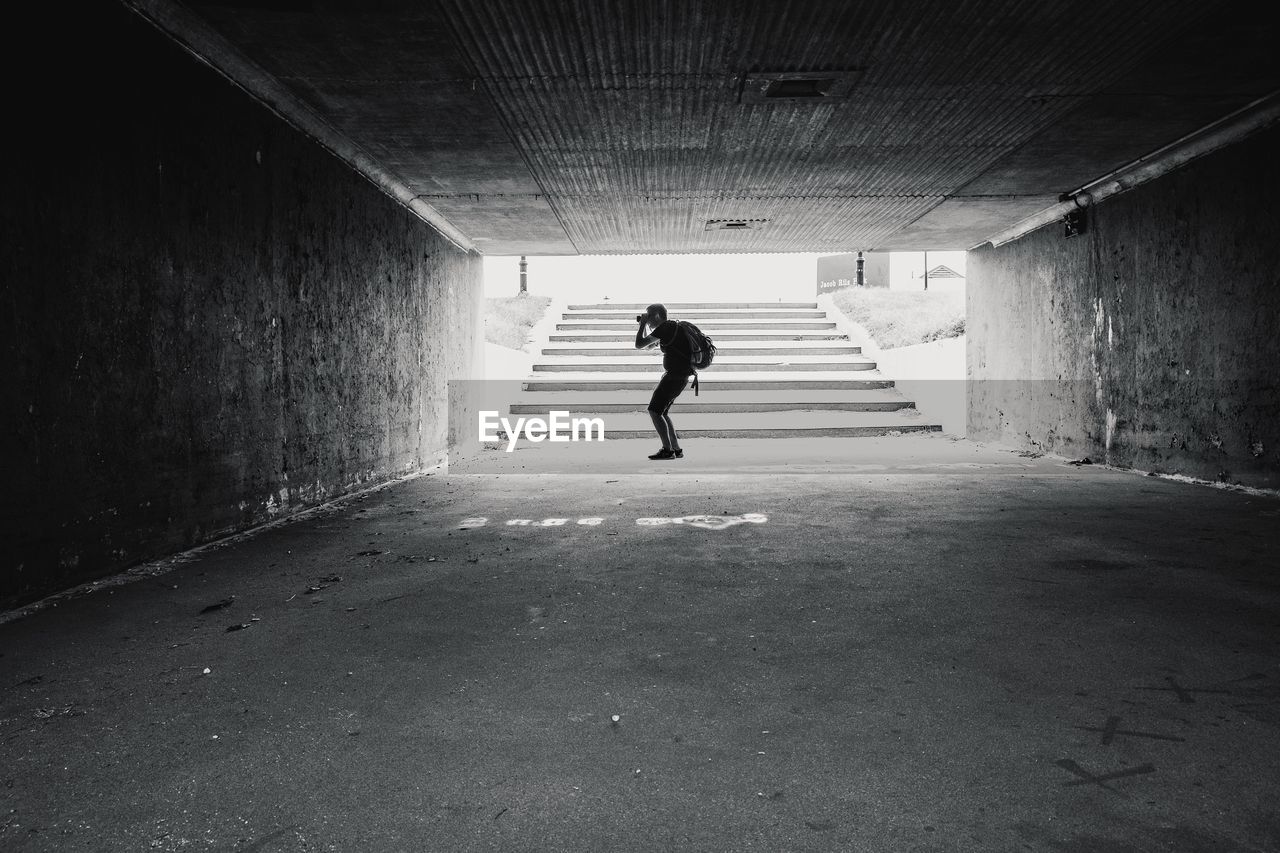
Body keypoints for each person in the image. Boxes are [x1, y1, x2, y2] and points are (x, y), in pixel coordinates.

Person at [634, 303, 691, 460]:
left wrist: (642, 325)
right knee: (663, 412)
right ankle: (676, 448)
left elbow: (639, 344)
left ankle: (667, 450)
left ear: (657, 316)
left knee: (654, 410)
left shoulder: (665, 328)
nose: (647, 319)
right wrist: (645, 325)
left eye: (648, 315)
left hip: (674, 377)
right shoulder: (671, 328)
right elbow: (648, 347)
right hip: (681, 376)